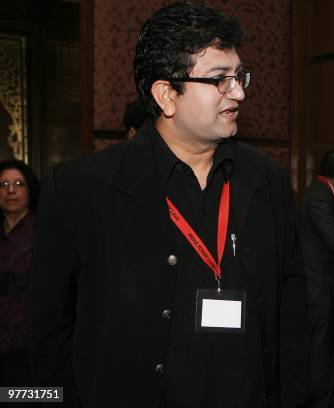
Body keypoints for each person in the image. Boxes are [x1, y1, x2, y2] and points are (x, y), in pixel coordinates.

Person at [26, 3, 308, 407]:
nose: (240, 92)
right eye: (220, 80)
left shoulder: (267, 181)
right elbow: (48, 330)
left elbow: (291, 311)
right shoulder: (81, 189)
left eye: (240, 76)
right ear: (166, 94)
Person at [298, 150, 334, 408]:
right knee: (319, 346)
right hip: (317, 286)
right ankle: (318, 398)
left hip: (322, 284)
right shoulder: (319, 196)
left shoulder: (321, 192)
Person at [0, 160, 39, 389]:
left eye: (18, 184)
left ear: (29, 190)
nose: (11, 190)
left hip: (27, 343)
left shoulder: (43, 231)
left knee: (24, 398)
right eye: (3, 184)